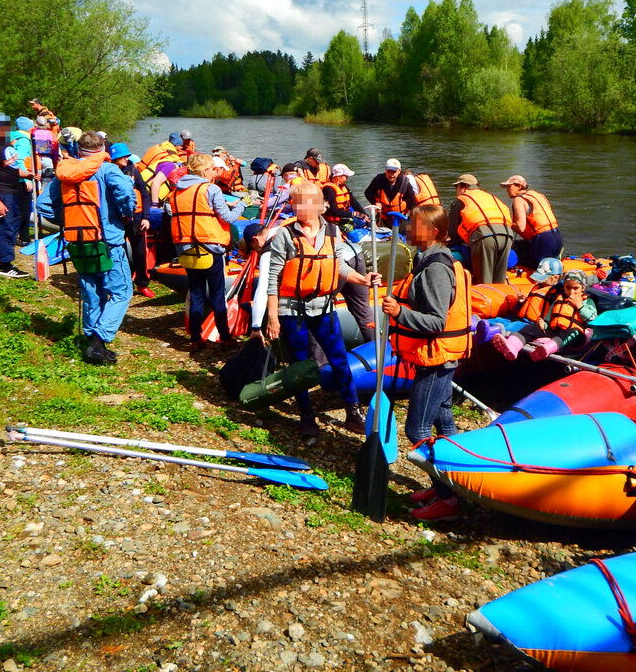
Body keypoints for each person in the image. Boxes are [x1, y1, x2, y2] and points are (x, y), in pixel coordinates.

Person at [255, 181, 381, 441]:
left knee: (340, 360)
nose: (297, 207)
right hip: (292, 311)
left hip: (324, 308)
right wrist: (272, 317)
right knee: (301, 365)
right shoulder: (285, 235)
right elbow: (272, 279)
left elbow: (340, 268)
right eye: (294, 202)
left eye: (303, 202)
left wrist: (364, 279)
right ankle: (307, 416)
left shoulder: (333, 231)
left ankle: (352, 410)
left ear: (318, 205)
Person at [382, 204, 473, 523]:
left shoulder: (436, 267)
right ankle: (454, 487)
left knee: (417, 428)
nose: (408, 228)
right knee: (445, 424)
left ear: (433, 232)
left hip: (438, 357)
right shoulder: (428, 258)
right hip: (441, 355)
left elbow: (435, 322)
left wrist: (398, 313)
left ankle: (447, 498)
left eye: (415, 225)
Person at [38, 132, 136, 364]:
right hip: (107, 240)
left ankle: (91, 337)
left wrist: (67, 220)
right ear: (102, 148)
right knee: (122, 292)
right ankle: (99, 341)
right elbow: (126, 195)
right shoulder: (108, 170)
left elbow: (43, 206)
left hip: (77, 238)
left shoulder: (64, 172)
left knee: (91, 288)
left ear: (79, 151)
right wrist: (125, 214)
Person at [168, 152, 245, 350]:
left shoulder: (176, 191)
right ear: (204, 171)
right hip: (210, 248)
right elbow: (227, 218)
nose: (214, 172)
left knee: (196, 292)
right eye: (212, 169)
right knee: (218, 294)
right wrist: (243, 206)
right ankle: (226, 337)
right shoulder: (211, 189)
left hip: (186, 248)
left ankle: (195, 338)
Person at [491, 270, 596, 362]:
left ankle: (546, 349)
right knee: (531, 328)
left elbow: (593, 320)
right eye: (568, 288)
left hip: (576, 337)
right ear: (564, 287)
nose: (571, 292)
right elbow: (548, 319)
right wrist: (543, 324)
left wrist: (580, 306)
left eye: (575, 288)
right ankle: (512, 346)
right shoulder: (559, 300)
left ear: (583, 288)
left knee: (573, 332)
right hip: (555, 332)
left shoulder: (587, 301)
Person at [0, 114, 36, 278]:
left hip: (13, 191)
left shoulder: (5, 145)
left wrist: (28, 175)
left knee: (13, 226)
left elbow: (10, 168)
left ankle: (8, 261)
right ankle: (6, 265)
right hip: (1, 193)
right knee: (4, 227)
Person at [448, 173, 514, 285]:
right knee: (499, 279)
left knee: (485, 280)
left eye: (456, 187)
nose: (456, 190)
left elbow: (453, 232)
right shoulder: (490, 196)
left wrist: (449, 249)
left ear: (464, 186)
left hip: (485, 236)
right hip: (508, 235)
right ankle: (502, 298)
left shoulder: (462, 200)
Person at [109, 142, 155, 298]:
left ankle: (142, 284)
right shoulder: (108, 171)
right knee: (116, 252)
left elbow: (145, 195)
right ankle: (118, 283)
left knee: (140, 253)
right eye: (123, 156)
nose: (126, 158)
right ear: (114, 158)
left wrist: (146, 217)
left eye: (127, 155)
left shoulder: (134, 171)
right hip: (115, 219)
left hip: (137, 217)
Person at [500, 174, 563, 270]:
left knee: (542, 272)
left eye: (509, 186)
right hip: (557, 236)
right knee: (553, 271)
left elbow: (521, 227)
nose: (507, 190)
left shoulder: (519, 200)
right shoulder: (538, 195)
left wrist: (507, 223)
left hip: (543, 239)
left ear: (519, 186)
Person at [364, 158, 419, 225]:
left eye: (394, 172)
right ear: (385, 170)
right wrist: (375, 203)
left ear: (399, 171)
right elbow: (367, 193)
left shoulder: (405, 183)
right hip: (383, 218)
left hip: (400, 219)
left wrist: (415, 220)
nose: (391, 174)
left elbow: (413, 204)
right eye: (388, 171)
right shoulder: (378, 180)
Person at [322, 163, 367, 229]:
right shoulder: (328, 190)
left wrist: (365, 215)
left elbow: (354, 202)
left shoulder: (343, 186)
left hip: (344, 219)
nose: (347, 179)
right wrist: (353, 214)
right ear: (338, 177)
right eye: (345, 176)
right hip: (333, 223)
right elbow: (333, 211)